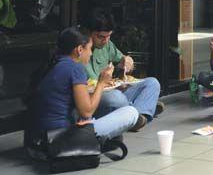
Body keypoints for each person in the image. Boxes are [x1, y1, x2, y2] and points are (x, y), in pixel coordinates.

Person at [25, 28, 139, 157]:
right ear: (79, 50)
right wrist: (101, 83)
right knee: (131, 112)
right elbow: (86, 111)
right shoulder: (75, 68)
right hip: (59, 140)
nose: (91, 53)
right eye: (90, 49)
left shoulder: (54, 63)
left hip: (38, 141)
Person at [84, 10, 163, 132]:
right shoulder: (79, 52)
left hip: (113, 91)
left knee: (152, 83)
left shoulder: (107, 45)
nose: (105, 41)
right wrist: (102, 84)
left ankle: (136, 114)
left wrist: (127, 61)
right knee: (115, 98)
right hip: (97, 99)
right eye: (101, 37)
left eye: (108, 36)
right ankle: (142, 109)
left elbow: (123, 60)